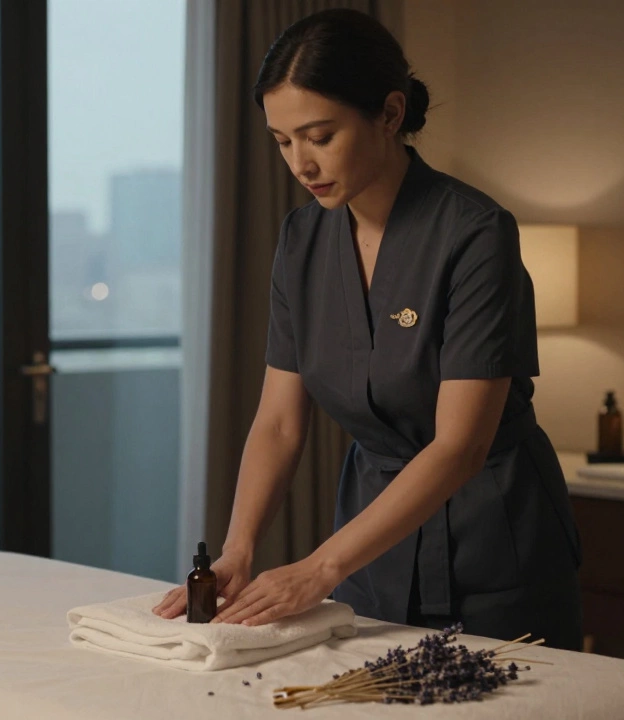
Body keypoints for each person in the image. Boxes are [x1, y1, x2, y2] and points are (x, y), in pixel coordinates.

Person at [152, 8, 583, 650]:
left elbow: (459, 445)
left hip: (493, 540)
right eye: (282, 141)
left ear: (388, 113)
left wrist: (320, 567)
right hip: (371, 546)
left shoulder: (474, 234)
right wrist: (238, 551)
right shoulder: (301, 241)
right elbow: (278, 423)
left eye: (319, 135)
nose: (300, 162)